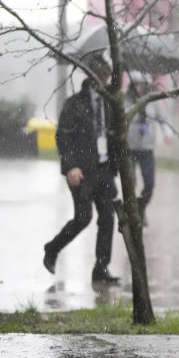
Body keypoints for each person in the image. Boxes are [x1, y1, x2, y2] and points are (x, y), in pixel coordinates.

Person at [43, 53, 121, 285]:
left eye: (108, 74)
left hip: (104, 169)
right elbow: (63, 137)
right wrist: (70, 167)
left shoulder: (111, 102)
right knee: (83, 217)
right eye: (102, 74)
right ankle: (52, 248)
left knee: (107, 217)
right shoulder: (75, 104)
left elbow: (118, 136)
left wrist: (118, 164)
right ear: (91, 75)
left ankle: (101, 268)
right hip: (82, 170)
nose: (106, 79)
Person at [125, 71, 170, 227]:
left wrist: (167, 134)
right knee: (130, 182)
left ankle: (141, 207)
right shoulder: (126, 101)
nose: (139, 88)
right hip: (129, 149)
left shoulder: (154, 101)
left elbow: (163, 120)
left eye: (142, 84)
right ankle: (131, 214)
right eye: (136, 84)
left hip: (147, 149)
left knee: (149, 184)